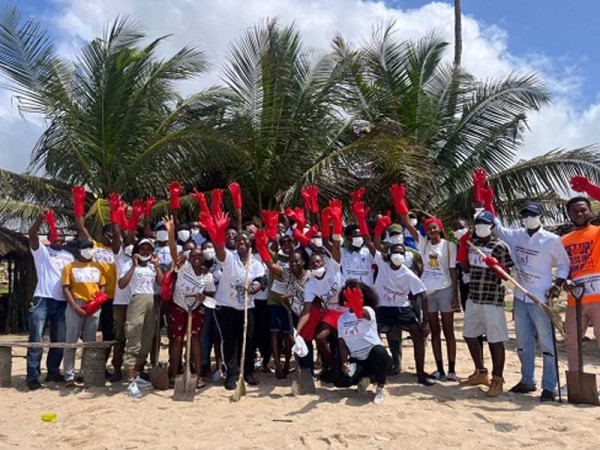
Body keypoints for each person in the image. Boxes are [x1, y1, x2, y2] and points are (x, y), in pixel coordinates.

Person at [492, 201, 570, 402]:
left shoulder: (552, 240)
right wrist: (485, 202)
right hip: (520, 297)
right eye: (525, 215)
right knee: (523, 343)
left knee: (547, 344)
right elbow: (497, 227)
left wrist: (558, 284)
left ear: (540, 216)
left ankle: (549, 386)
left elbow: (563, 264)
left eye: (532, 215)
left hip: (541, 299)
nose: (528, 218)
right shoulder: (517, 235)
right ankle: (527, 381)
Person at [461, 211, 513, 397]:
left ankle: (497, 379)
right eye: (478, 223)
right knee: (469, 335)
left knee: (495, 339)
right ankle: (480, 372)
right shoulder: (472, 244)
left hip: (492, 300)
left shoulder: (500, 246)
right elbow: (467, 267)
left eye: (485, 223)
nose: (481, 226)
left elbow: (508, 276)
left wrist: (497, 266)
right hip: (474, 297)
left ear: (491, 226)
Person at [211, 219, 266, 390]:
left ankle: (248, 372)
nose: (241, 244)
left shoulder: (256, 263)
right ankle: (232, 374)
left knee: (247, 340)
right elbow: (219, 251)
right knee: (230, 341)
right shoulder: (229, 258)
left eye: (245, 241)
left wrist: (253, 288)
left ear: (250, 244)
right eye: (238, 241)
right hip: (226, 306)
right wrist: (219, 232)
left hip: (246, 307)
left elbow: (261, 280)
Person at [404, 215, 459, 381]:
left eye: (435, 227)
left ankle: (451, 370)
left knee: (449, 331)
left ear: (440, 228)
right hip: (428, 293)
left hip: (445, 289)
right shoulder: (423, 244)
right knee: (434, 331)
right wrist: (400, 203)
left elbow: (453, 270)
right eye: (429, 229)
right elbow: (407, 223)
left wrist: (455, 293)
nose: (432, 231)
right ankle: (440, 369)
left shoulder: (449, 246)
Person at [164, 216, 216, 389]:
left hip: (195, 310)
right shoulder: (183, 267)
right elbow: (173, 252)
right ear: (189, 257)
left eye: (199, 256)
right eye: (193, 256)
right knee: (177, 340)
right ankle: (174, 375)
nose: (196, 258)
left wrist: (203, 298)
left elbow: (210, 295)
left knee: (195, 341)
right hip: (179, 307)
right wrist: (171, 233)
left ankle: (198, 376)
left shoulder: (207, 276)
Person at [373, 243, 436, 386]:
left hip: (402, 308)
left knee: (418, 335)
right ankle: (375, 371)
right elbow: (371, 242)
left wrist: (425, 321)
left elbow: (423, 295)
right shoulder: (382, 264)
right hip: (383, 308)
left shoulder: (408, 273)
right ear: (389, 254)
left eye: (402, 253)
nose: (398, 255)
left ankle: (420, 372)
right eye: (395, 252)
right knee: (372, 335)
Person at [26, 212, 74, 390]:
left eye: (61, 236)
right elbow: (32, 234)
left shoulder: (70, 256)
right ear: (48, 237)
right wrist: (40, 219)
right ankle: (33, 376)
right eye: (55, 235)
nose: (59, 238)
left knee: (59, 339)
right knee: (36, 339)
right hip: (43, 299)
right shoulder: (42, 252)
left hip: (62, 302)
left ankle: (53, 371)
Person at [561, 176, 600, 379]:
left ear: (591, 211)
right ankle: (574, 379)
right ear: (569, 215)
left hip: (598, 298)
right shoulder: (563, 240)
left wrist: (590, 189)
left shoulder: (598, 232)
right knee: (572, 341)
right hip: (575, 299)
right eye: (574, 211)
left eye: (583, 209)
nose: (579, 213)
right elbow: (562, 268)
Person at [119, 238, 164, 397]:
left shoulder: (152, 267)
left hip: (151, 300)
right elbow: (122, 284)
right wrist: (133, 265)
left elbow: (161, 281)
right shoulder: (129, 265)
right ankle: (130, 380)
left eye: (148, 249)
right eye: (142, 249)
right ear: (137, 250)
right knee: (134, 337)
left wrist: (156, 265)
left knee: (146, 339)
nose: (145, 252)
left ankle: (137, 374)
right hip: (137, 299)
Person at [75, 219, 119, 376]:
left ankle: (102, 366)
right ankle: (86, 367)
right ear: (102, 234)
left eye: (114, 235)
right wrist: (78, 204)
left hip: (114, 297)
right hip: (96, 297)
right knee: (89, 333)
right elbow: (81, 228)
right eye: (109, 234)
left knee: (109, 334)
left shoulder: (117, 250)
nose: (111, 238)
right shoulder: (94, 247)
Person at [336, 282, 392, 404]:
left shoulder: (368, 310)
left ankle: (380, 388)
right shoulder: (342, 319)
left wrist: (356, 305)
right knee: (342, 380)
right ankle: (366, 378)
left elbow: (362, 314)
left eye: (359, 295)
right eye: (353, 296)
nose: (357, 298)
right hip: (358, 358)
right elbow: (342, 343)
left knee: (379, 352)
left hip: (375, 355)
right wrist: (344, 362)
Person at [62, 239, 107, 386]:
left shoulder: (97, 266)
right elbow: (66, 288)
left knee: (90, 341)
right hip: (76, 304)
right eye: (85, 247)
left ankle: (84, 373)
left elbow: (102, 285)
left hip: (93, 306)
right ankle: (69, 375)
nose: (88, 250)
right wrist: (75, 307)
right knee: (71, 341)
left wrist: (97, 302)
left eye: (90, 247)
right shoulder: (70, 267)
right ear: (78, 249)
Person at [297, 242, 342, 382]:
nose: (316, 264)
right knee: (320, 337)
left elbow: (335, 248)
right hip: (331, 313)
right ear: (309, 267)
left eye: (318, 261)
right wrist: (297, 331)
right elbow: (306, 310)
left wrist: (334, 234)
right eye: (312, 263)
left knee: (343, 340)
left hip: (347, 310)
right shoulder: (310, 284)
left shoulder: (333, 269)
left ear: (324, 262)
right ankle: (332, 367)